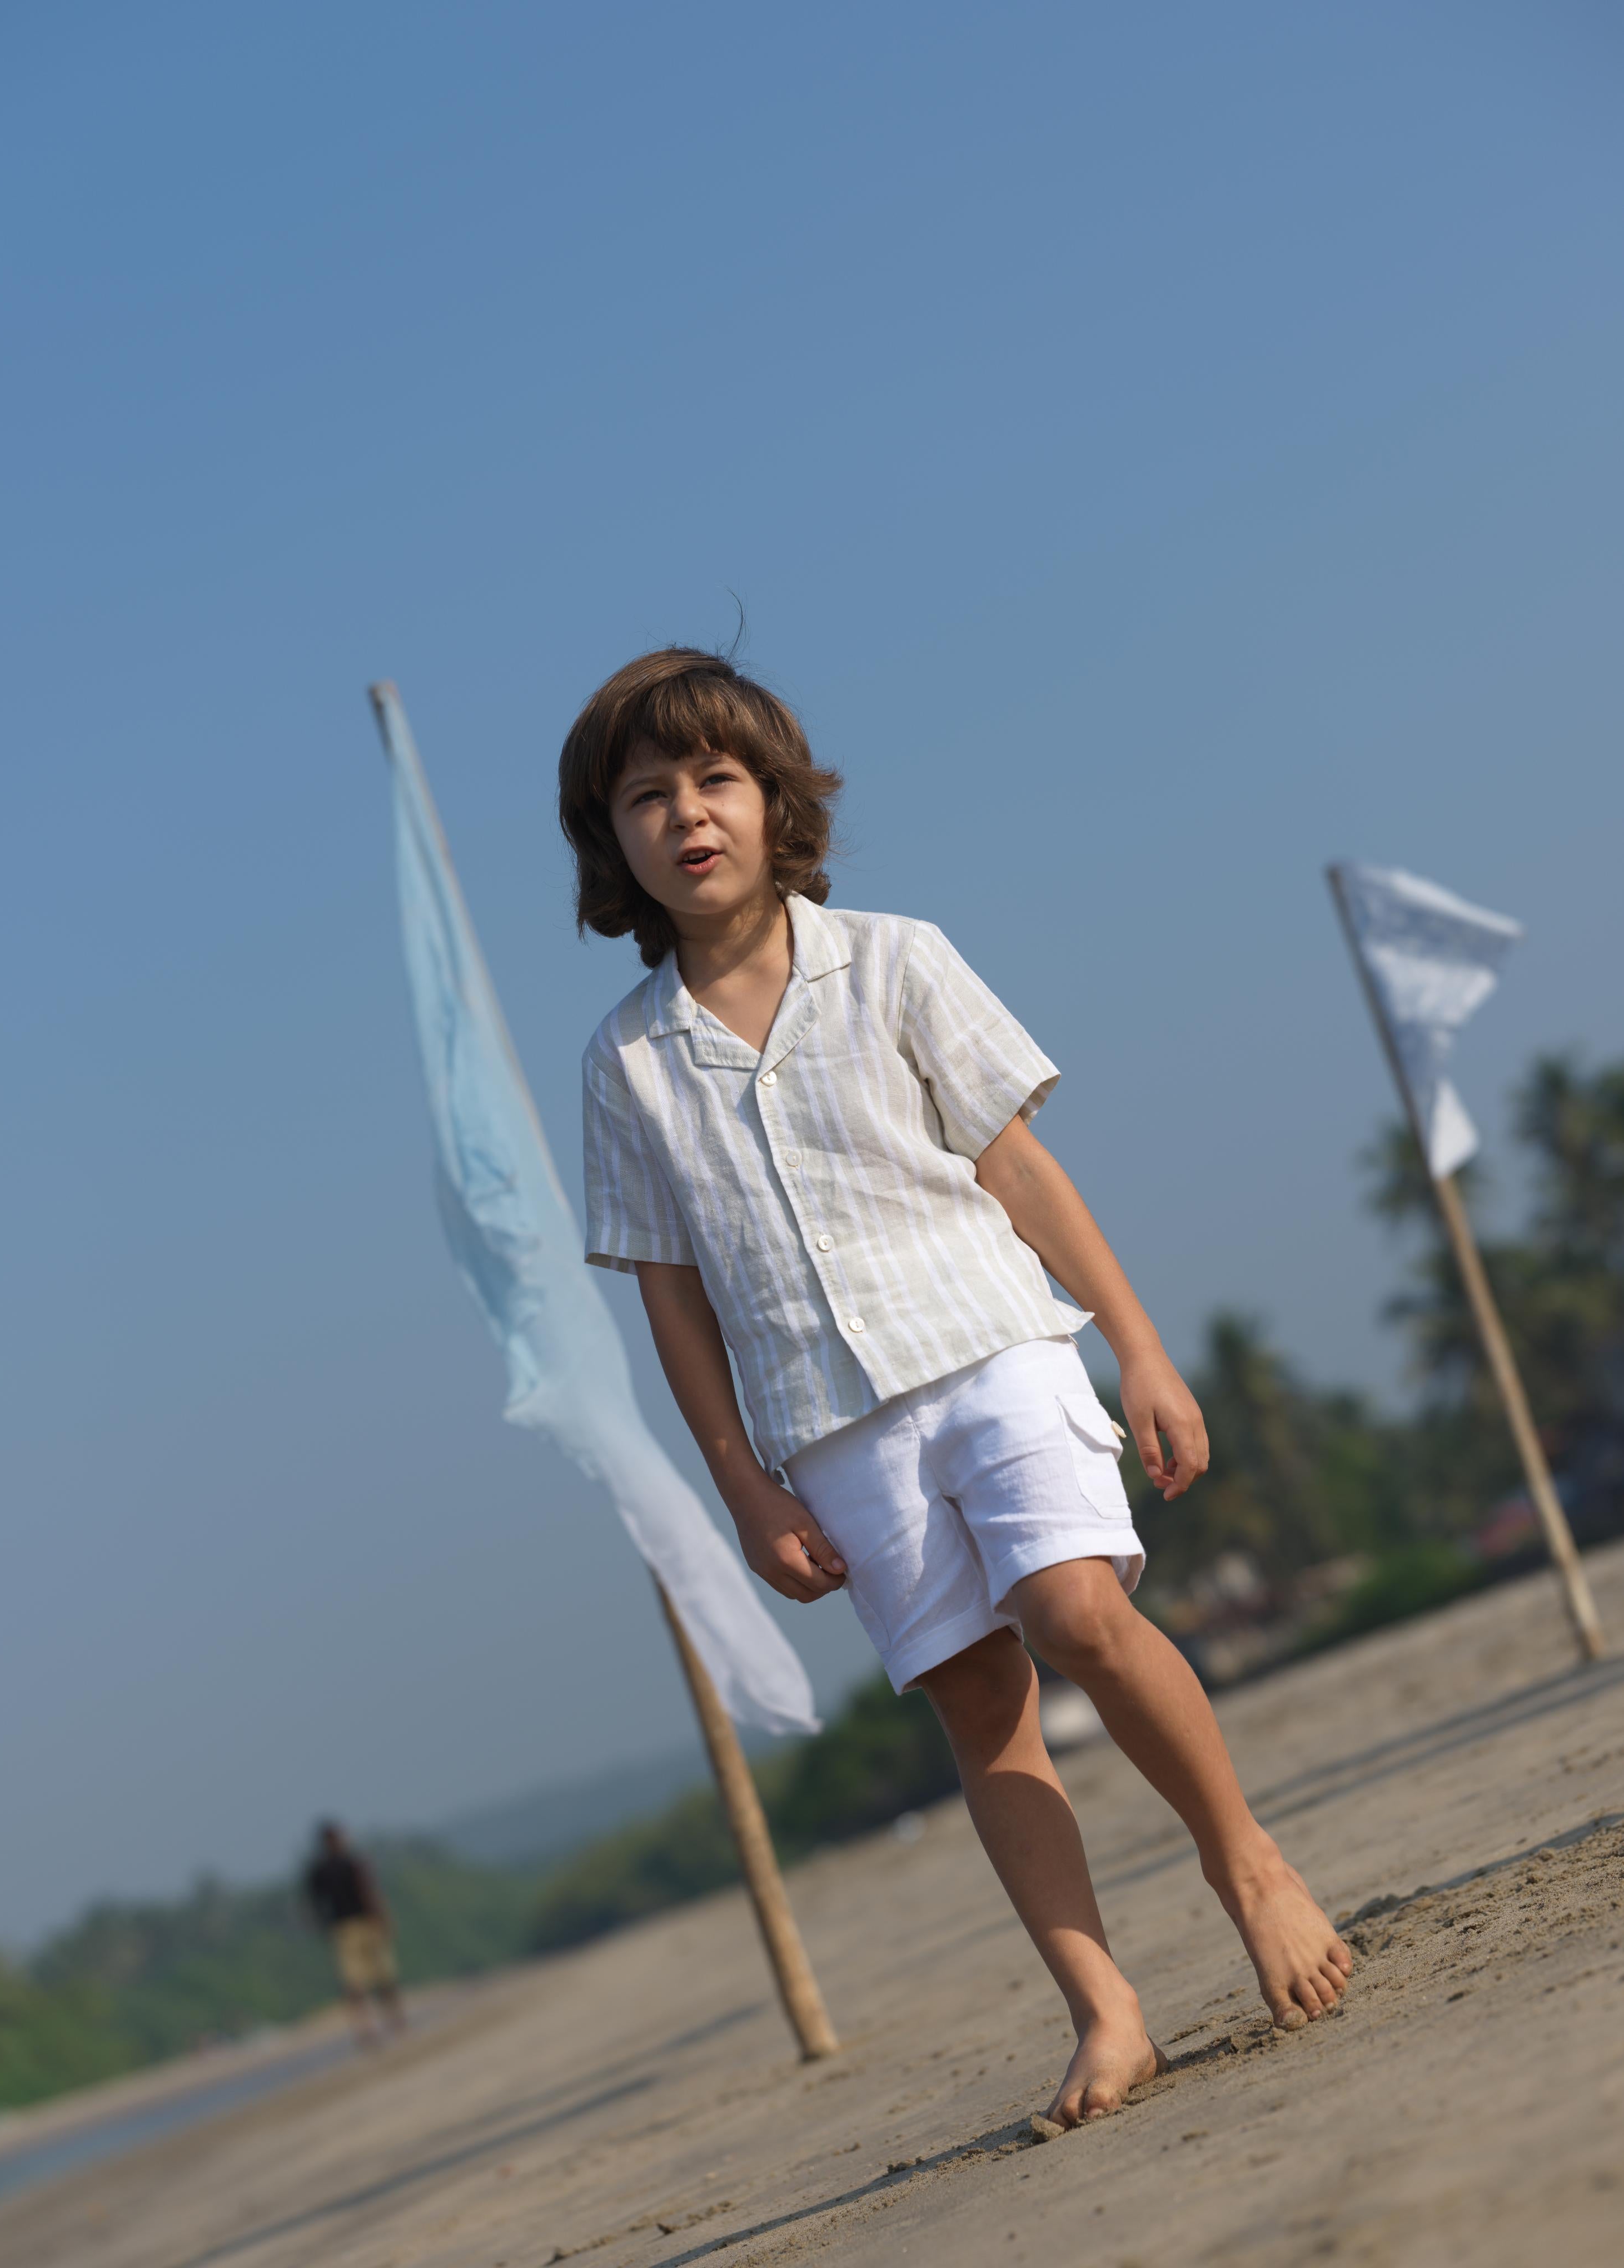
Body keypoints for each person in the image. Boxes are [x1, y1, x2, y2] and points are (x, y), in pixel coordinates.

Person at [561, 649, 1352, 2129]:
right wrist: (742, 1487)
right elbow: (671, 1303)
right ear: (608, 842)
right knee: (979, 1704)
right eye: (645, 797)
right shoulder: (624, 1067)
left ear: (774, 800)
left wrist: (1139, 1345)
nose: (687, 817)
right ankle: (1104, 2011)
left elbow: (1016, 1167)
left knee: (1075, 1614)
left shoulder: (896, 959)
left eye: (715, 781)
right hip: (831, 1429)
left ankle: (1245, 1861)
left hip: (991, 1345)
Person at [302, 1821, 405, 2044]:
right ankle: (370, 2027)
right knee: (359, 1983)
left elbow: (369, 1892)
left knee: (380, 1978)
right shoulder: (328, 1869)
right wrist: (383, 1918)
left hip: (359, 1924)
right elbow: (368, 1892)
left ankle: (389, 2022)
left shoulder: (347, 1864)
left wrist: (381, 1917)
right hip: (349, 1927)